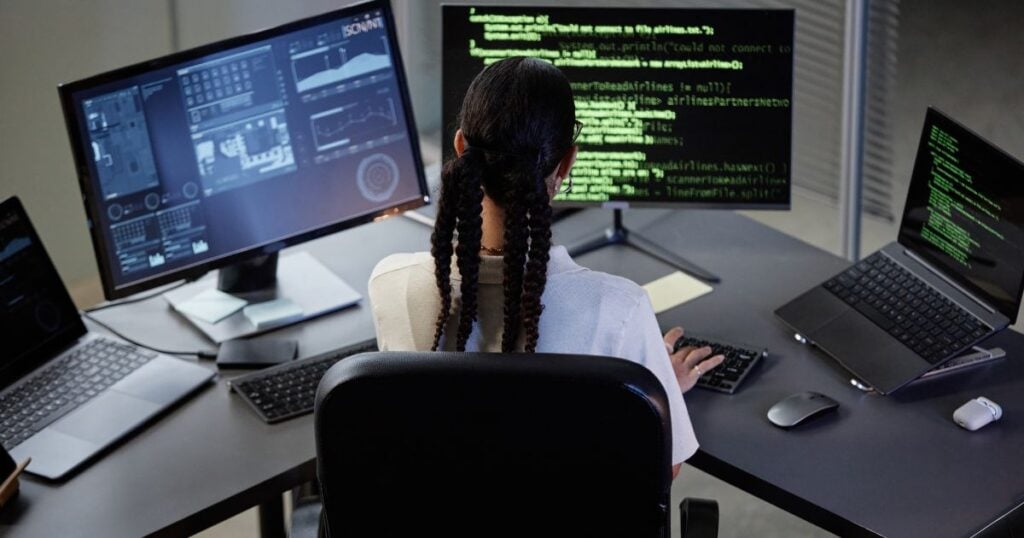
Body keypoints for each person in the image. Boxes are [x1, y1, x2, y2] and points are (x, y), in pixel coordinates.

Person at [368, 57, 723, 477]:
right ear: (566, 164)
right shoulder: (619, 308)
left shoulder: (391, 284)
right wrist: (653, 391)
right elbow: (665, 468)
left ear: (461, 147)